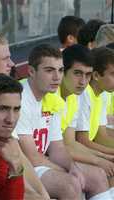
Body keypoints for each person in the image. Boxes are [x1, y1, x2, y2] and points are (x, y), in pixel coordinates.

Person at [0, 31, 50, 199]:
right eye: (5, 59)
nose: (12, 64)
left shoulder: (3, 97)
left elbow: (17, 156)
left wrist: (43, 195)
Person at [13, 43, 86, 200]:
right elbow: (31, 157)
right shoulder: (19, 98)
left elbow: (57, 148)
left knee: (96, 175)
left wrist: (72, 167)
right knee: (69, 185)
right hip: (21, 168)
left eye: (60, 70)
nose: (57, 77)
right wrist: (64, 171)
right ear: (31, 71)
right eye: (49, 70)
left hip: (40, 163)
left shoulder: (52, 98)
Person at [43, 44, 113, 199]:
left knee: (103, 170)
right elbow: (73, 143)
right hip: (44, 158)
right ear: (63, 71)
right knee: (98, 173)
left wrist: (104, 158)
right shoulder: (51, 96)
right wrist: (99, 159)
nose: (83, 81)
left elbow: (70, 142)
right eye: (77, 73)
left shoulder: (73, 98)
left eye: (87, 75)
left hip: (53, 156)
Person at [76, 47, 114, 156]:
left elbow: (100, 135)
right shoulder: (84, 94)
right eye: (113, 74)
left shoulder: (103, 94)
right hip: (77, 151)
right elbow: (82, 141)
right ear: (96, 75)